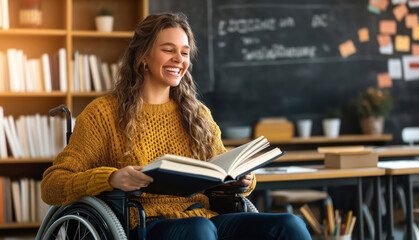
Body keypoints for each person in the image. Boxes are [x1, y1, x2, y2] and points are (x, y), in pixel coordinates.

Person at [41, 12, 311, 240]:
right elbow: (52, 184)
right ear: (142, 56)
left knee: (289, 225)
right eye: (168, 50)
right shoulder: (103, 114)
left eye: (184, 53)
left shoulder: (198, 114)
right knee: (200, 230)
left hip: (206, 219)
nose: (178, 59)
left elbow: (220, 173)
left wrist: (241, 180)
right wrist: (111, 178)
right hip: (145, 224)